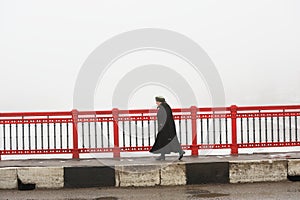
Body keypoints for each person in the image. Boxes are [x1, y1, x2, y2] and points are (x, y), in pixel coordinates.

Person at [149, 96, 185, 160]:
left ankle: (180, 151)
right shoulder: (165, 106)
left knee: (169, 141)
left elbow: (164, 117)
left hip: (165, 128)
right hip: (167, 128)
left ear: (159, 101)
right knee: (164, 141)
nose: (156, 103)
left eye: (157, 101)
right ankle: (163, 155)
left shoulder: (163, 107)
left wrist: (161, 125)